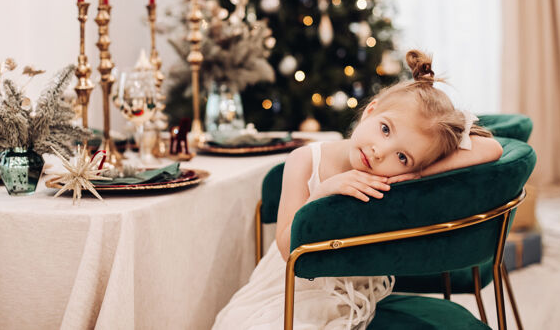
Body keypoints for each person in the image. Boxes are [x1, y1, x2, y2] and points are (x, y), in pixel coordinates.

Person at [212, 50, 504, 330]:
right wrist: (322, 193)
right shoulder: (304, 160)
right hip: (287, 289)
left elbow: (491, 148)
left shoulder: (397, 174)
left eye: (401, 156)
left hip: (352, 294)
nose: (380, 152)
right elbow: (288, 250)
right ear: (371, 111)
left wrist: (419, 170)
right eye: (386, 129)